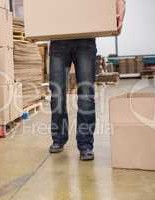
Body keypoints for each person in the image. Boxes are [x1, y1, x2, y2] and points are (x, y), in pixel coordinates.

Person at [49, 0, 126, 161]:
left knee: (85, 93)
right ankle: (59, 138)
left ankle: (85, 145)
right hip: (58, 39)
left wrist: (120, 12)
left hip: (85, 38)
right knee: (57, 92)